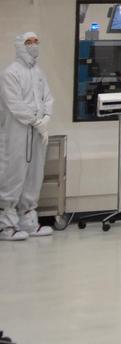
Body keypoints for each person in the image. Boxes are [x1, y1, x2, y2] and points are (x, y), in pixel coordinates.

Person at [0, 33, 54, 241]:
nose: (33, 46)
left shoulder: (39, 73)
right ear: (19, 46)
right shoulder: (11, 73)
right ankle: (6, 225)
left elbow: (48, 98)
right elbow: (14, 104)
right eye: (28, 42)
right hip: (16, 131)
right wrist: (35, 120)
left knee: (34, 173)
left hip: (38, 130)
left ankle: (28, 221)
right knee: (13, 174)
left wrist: (46, 118)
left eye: (36, 42)